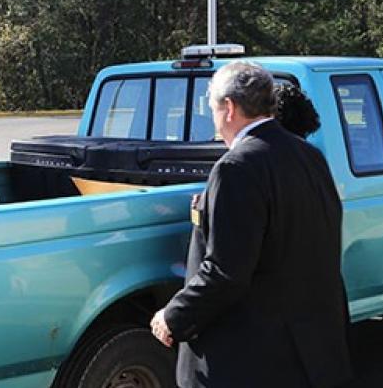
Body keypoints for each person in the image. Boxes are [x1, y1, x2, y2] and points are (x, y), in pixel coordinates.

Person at [150, 61, 352, 388]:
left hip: (252, 362)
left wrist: (172, 317)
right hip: (312, 355)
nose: (212, 119)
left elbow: (226, 272)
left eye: (212, 108)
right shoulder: (308, 156)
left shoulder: (237, 167)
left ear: (229, 108)